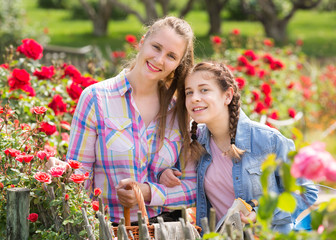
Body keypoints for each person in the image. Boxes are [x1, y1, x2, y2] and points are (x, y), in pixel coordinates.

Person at [47, 16, 197, 224]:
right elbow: (79, 175)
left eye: (171, 56)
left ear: (178, 64)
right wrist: (59, 171)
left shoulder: (180, 111)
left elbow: (192, 189)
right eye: (156, 47)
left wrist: (147, 193)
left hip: (165, 228)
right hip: (110, 227)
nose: (160, 59)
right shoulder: (96, 98)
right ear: (142, 41)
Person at [159, 61, 318, 233]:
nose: (194, 98)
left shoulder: (268, 140)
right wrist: (165, 174)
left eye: (204, 90)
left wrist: (259, 214)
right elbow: (177, 179)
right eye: (189, 92)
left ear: (227, 96)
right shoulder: (195, 142)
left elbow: (306, 193)